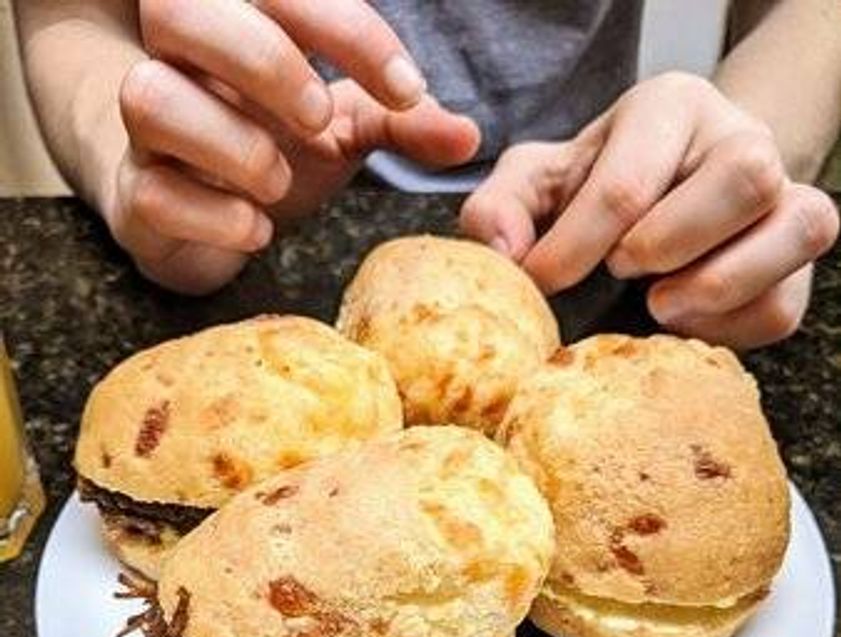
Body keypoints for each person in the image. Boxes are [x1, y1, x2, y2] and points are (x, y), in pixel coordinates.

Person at [15, 0, 841, 348]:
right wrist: (130, 166)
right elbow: (67, 16)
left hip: (594, 224)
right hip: (211, 243)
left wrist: (739, 168)